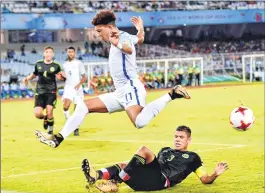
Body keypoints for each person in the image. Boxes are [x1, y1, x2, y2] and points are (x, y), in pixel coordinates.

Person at [35, 10, 190, 148]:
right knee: (83, 106)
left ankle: (171, 94)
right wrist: (140, 29)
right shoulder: (126, 37)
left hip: (131, 88)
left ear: (109, 28)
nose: (97, 34)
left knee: (139, 122)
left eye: (99, 30)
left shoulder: (121, 38)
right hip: (119, 92)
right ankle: (58, 138)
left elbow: (129, 49)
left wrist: (118, 43)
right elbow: (140, 39)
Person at [82, 126, 228, 192]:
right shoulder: (165, 150)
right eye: (176, 136)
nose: (177, 139)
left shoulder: (193, 157)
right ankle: (95, 176)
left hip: (162, 181)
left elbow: (205, 179)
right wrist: (130, 167)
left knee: (144, 150)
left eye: (181, 137)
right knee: (124, 165)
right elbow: (150, 166)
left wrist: (215, 173)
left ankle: (116, 182)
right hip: (144, 183)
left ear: (189, 140)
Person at [23, 46, 63, 134]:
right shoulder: (38, 63)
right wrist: (27, 78)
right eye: (47, 52)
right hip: (40, 91)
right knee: (37, 114)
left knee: (49, 110)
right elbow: (34, 74)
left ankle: (50, 130)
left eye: (50, 52)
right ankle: (45, 118)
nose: (48, 54)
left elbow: (61, 77)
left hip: (51, 91)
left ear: (53, 54)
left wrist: (61, 77)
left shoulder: (56, 65)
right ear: (44, 54)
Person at [61, 47, 86, 136]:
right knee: (66, 106)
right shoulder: (64, 65)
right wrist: (61, 77)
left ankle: (76, 127)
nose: (70, 53)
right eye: (69, 52)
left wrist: (79, 84)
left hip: (78, 88)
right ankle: (69, 123)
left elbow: (84, 77)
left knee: (77, 109)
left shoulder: (79, 63)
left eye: (72, 52)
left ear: (74, 53)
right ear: (67, 53)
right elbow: (65, 77)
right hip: (68, 88)